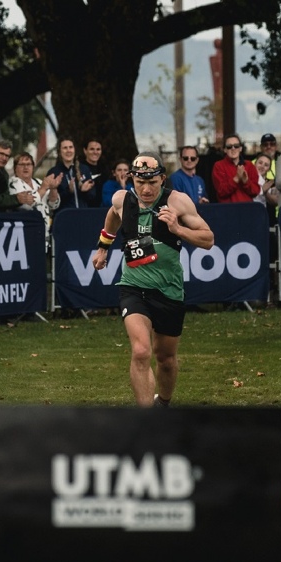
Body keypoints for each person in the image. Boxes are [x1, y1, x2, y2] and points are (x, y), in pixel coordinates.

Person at [91, 153, 214, 408]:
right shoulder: (121, 199)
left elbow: (208, 239)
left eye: (152, 183)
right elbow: (113, 216)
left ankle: (164, 403)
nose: (146, 189)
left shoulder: (177, 202)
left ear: (162, 179)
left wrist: (178, 229)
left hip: (169, 290)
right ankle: (146, 421)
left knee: (166, 359)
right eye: (140, 183)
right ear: (131, 179)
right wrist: (103, 247)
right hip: (133, 286)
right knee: (141, 351)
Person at [9, 152, 60, 246]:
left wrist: (53, 188)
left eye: (28, 164)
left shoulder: (38, 182)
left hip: (44, 234)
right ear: (15, 168)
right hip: (25, 235)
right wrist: (44, 188)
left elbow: (53, 204)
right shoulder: (13, 183)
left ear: (33, 167)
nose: (26, 167)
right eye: (22, 164)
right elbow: (27, 205)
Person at [45, 138, 95, 210]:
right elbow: (51, 203)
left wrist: (85, 191)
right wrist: (68, 191)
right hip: (64, 217)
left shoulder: (84, 169)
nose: (68, 150)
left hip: (83, 215)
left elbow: (92, 196)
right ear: (59, 152)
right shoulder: (54, 172)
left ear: (74, 149)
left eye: (71, 147)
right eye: (65, 148)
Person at [210, 135, 260, 203]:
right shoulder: (219, 166)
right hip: (228, 210)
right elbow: (221, 191)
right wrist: (236, 178)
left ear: (240, 148)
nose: (233, 148)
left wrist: (246, 182)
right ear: (225, 150)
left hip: (247, 209)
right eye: (229, 147)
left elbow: (256, 192)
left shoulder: (249, 165)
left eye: (236, 146)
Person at [81, 139, 104, 206]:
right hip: (84, 209)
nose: (95, 152)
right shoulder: (79, 169)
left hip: (101, 209)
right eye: (92, 149)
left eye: (98, 149)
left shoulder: (104, 168)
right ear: (85, 151)